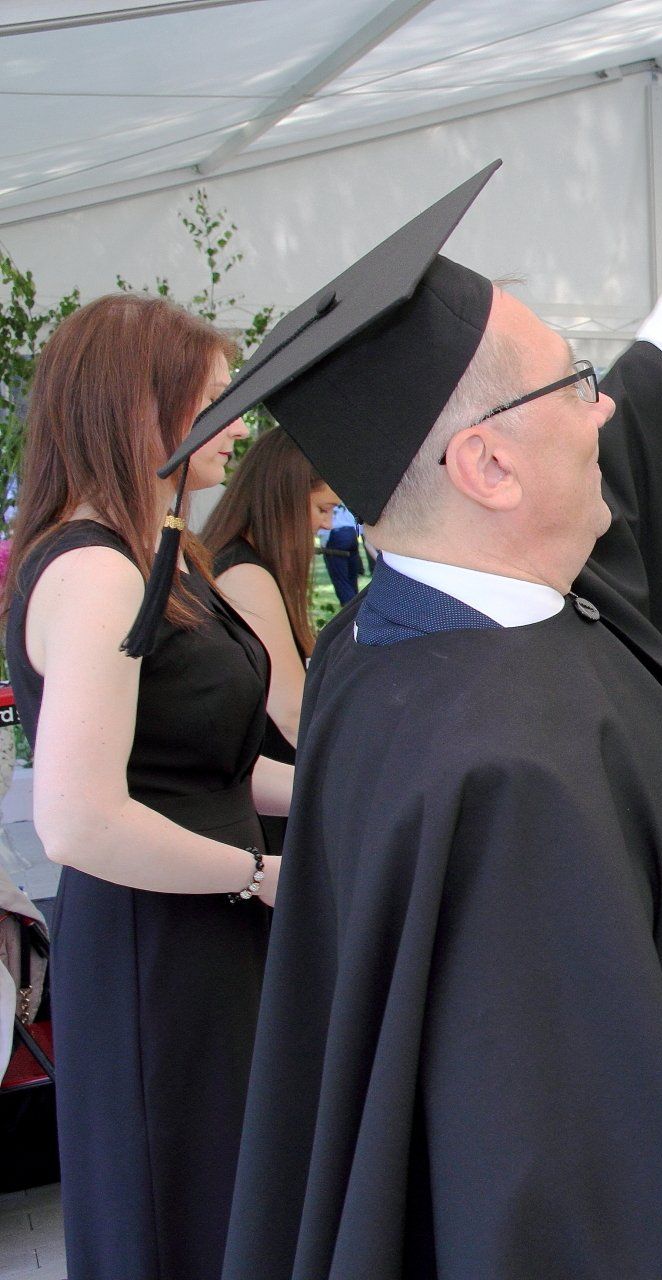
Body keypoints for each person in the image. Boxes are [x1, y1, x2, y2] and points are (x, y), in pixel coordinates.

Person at [217, 168, 662, 1278]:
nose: (604, 409)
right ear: (489, 464)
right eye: (576, 383)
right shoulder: (507, 766)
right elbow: (544, 1164)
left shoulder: (393, 636)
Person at [2, 294, 295, 1278]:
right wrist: (257, 876)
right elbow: (79, 819)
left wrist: (346, 792)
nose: (239, 423)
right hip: (158, 951)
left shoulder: (154, 555)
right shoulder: (95, 573)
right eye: (216, 401)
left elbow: (208, 764)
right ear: (139, 409)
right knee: (180, 1221)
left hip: (206, 932)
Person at [201, 426, 340, 854]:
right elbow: (292, 711)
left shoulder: (233, 561)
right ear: (284, 497)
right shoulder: (246, 574)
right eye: (322, 508)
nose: (326, 524)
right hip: (271, 795)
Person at [320, 500, 364, 602]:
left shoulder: (328, 500)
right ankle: (356, 604)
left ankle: (350, 607)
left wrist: (324, 541)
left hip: (336, 534)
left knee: (341, 579)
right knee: (352, 576)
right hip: (351, 533)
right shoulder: (342, 498)